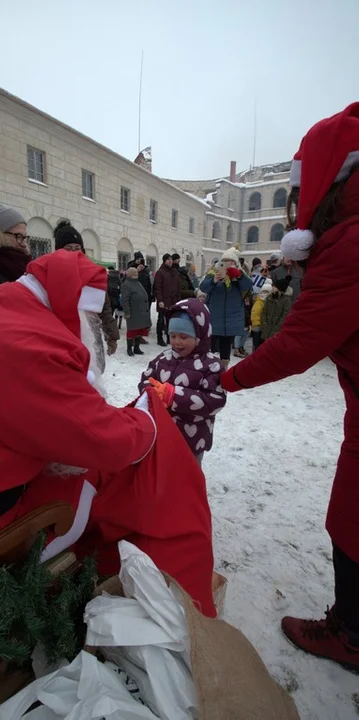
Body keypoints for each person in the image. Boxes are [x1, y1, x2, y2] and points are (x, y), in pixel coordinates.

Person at [0, 250, 216, 631]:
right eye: (89, 317)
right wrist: (146, 418)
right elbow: (106, 442)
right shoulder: (30, 344)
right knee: (87, 490)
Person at [221, 102, 359, 673]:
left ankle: (350, 635)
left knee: (349, 518)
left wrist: (222, 377)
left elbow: (295, 345)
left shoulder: (350, 241)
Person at [139, 299, 226, 465]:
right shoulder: (163, 358)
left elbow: (215, 400)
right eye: (172, 336)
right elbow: (146, 378)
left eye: (184, 337)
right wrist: (151, 391)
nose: (177, 342)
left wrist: (174, 396)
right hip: (162, 434)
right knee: (162, 473)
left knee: (188, 478)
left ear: (200, 336)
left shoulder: (212, 365)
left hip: (192, 440)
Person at [53, 219, 119, 367]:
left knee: (94, 373)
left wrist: (112, 336)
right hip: (64, 339)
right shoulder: (51, 275)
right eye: (68, 248)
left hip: (91, 337)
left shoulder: (92, 275)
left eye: (77, 248)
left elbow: (105, 308)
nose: (74, 253)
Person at [199, 248, 252, 369]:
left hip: (231, 318)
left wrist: (238, 275)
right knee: (210, 343)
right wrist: (214, 280)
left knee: (226, 345)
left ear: (235, 263)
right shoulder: (213, 272)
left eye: (231, 261)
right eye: (225, 261)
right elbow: (203, 287)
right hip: (214, 316)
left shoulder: (240, 275)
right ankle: (208, 367)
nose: (228, 263)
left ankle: (223, 369)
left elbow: (248, 285)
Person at [121, 266, 152, 356]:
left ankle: (137, 348)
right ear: (130, 275)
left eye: (137, 273)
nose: (136, 275)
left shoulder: (137, 283)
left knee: (139, 330)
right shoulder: (126, 285)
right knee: (132, 330)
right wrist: (127, 312)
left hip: (140, 311)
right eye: (134, 274)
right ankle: (129, 348)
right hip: (133, 312)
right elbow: (125, 300)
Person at [153, 254, 180, 347]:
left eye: (171, 259)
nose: (170, 261)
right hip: (163, 300)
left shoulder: (174, 272)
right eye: (168, 259)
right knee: (161, 320)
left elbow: (177, 287)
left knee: (170, 320)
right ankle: (159, 338)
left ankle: (169, 337)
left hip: (173, 300)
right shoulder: (160, 272)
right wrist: (160, 300)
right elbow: (157, 287)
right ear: (164, 261)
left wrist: (178, 299)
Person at [260, 276, 293, 342]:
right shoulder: (269, 297)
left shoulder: (286, 301)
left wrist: (277, 327)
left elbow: (285, 316)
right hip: (266, 329)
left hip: (277, 330)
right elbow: (264, 312)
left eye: (274, 286)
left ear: (279, 288)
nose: (272, 288)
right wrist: (264, 324)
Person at [250, 280, 272, 351]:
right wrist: (257, 323)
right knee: (257, 344)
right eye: (264, 291)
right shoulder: (259, 301)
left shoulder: (267, 301)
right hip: (258, 326)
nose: (264, 294)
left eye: (267, 292)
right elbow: (255, 313)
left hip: (264, 326)